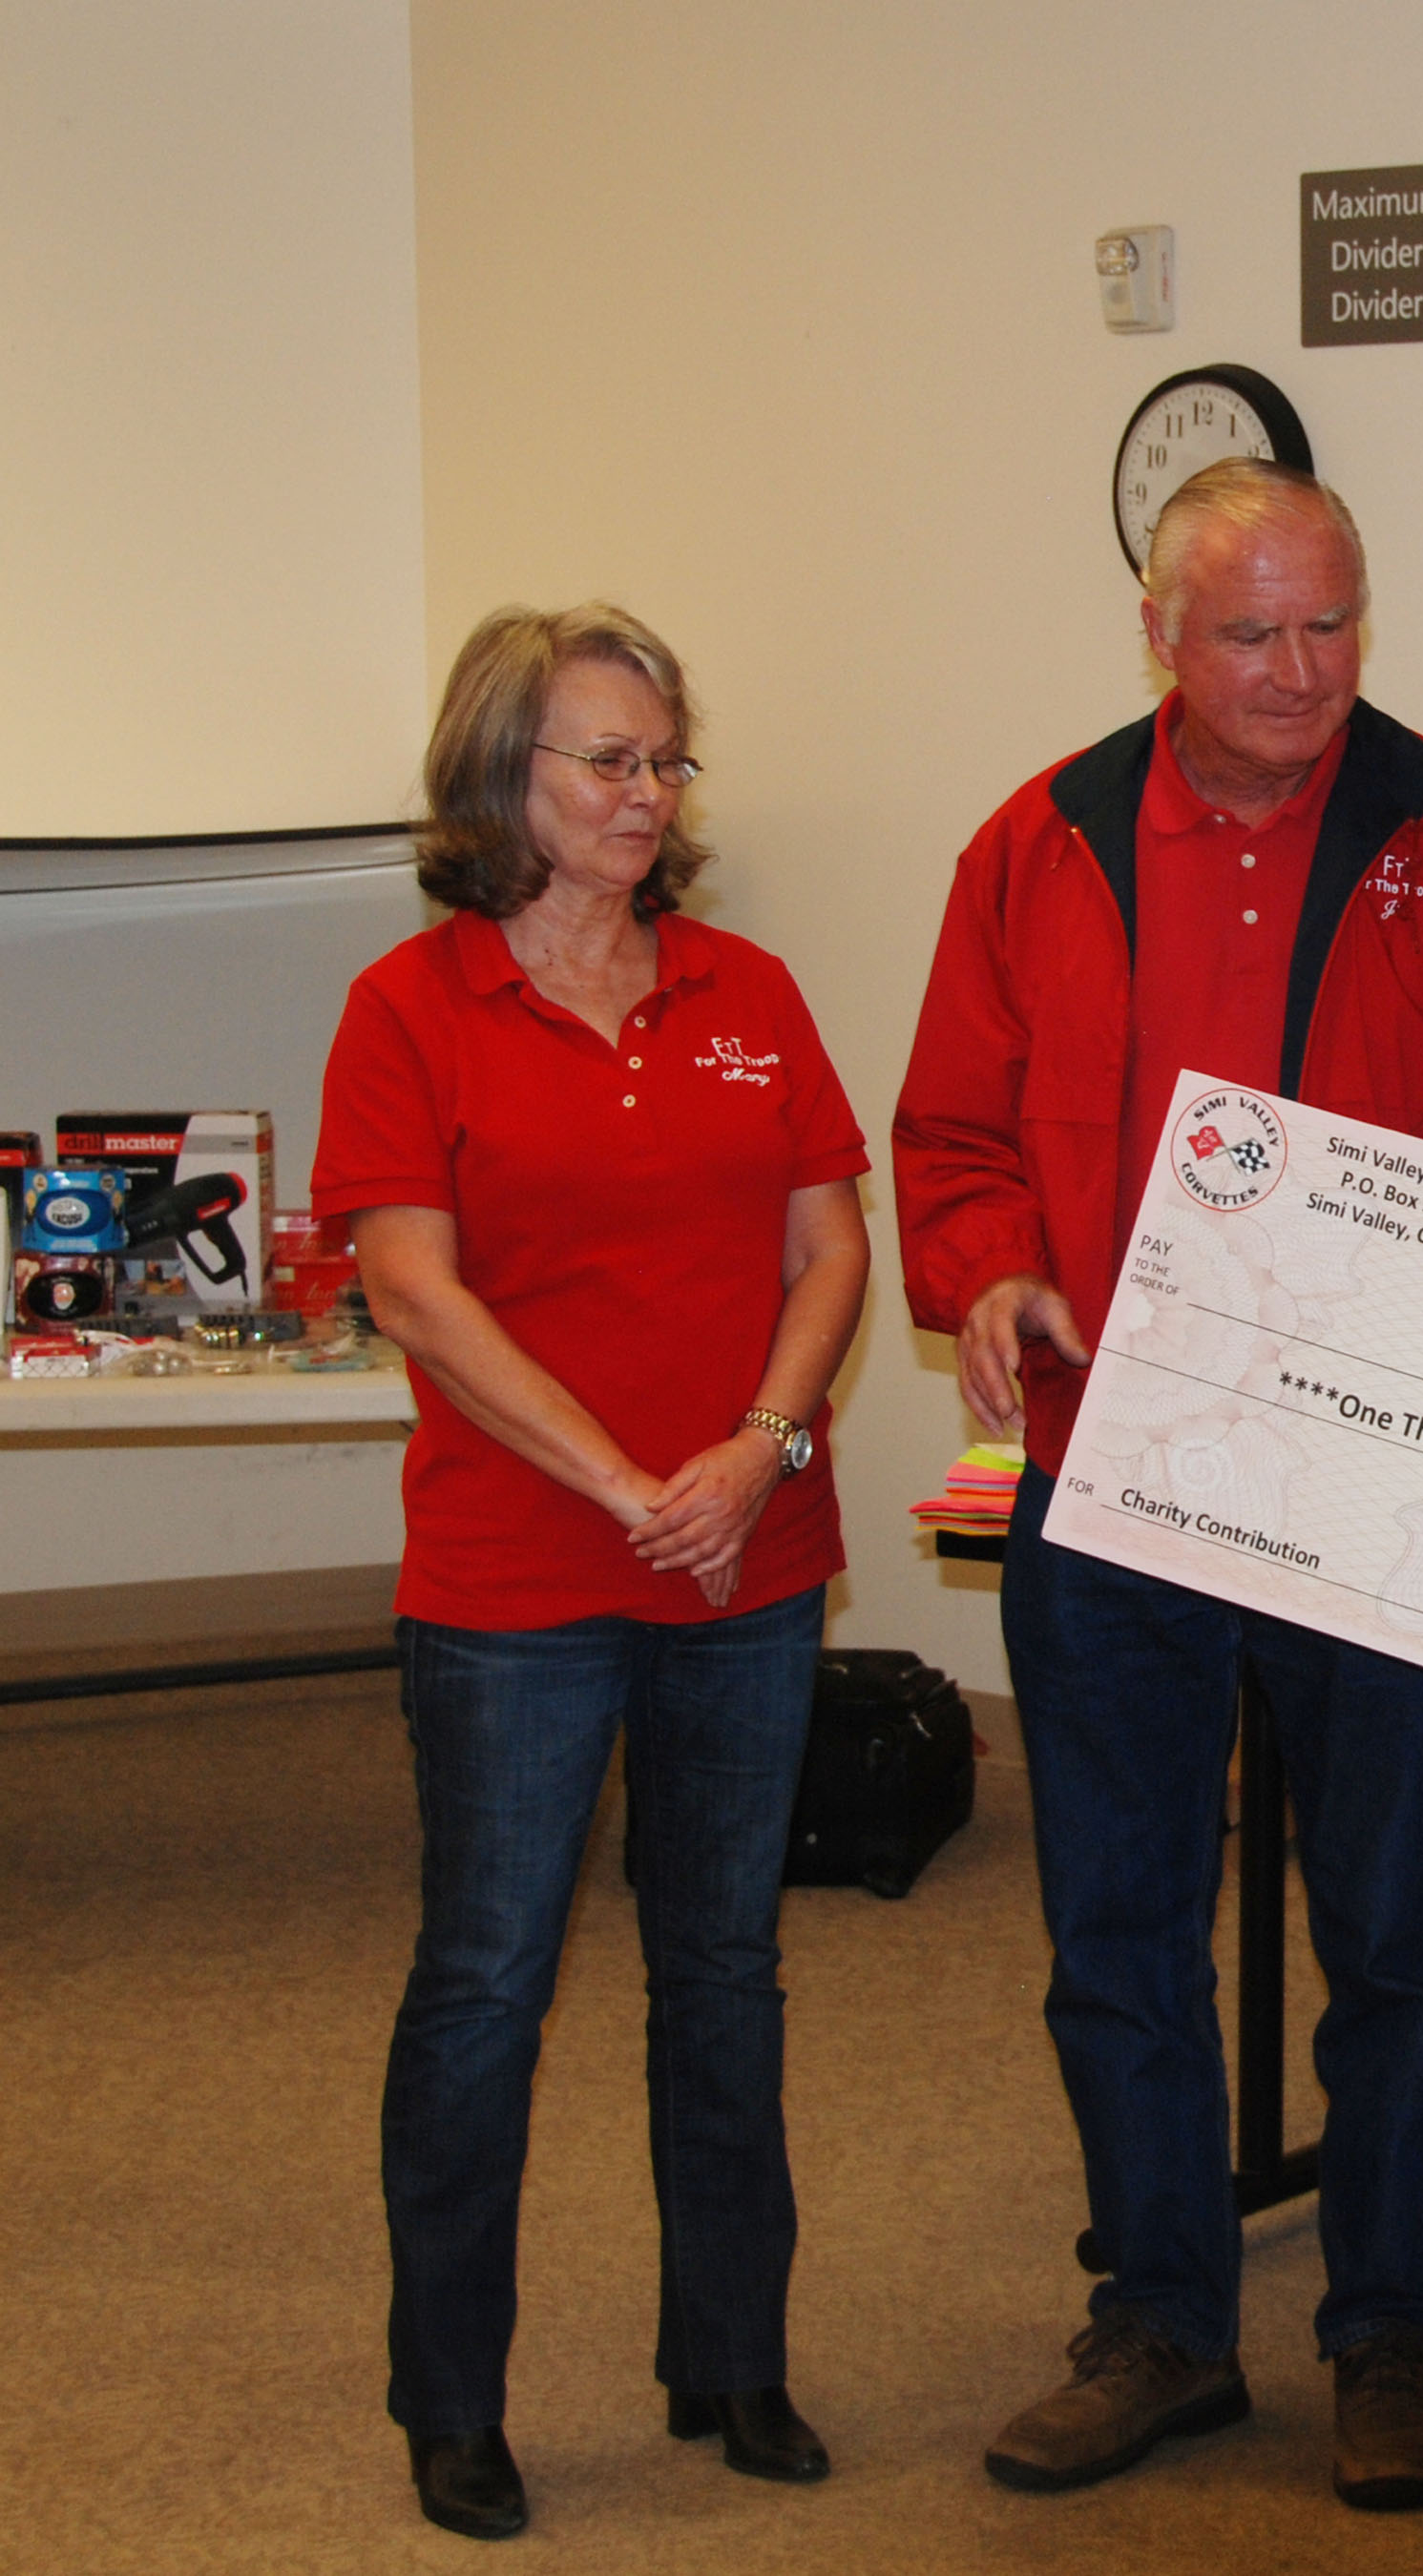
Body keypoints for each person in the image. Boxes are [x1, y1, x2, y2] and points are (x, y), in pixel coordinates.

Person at [892, 459, 1423, 2512]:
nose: (1298, 670)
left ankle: (1390, 2332)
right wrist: (987, 1266)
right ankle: (1164, 2322)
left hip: (1372, 1485)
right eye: (1251, 632)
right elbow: (952, 1130)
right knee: (1118, 1923)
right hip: (1111, 1476)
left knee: (1398, 1934)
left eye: (1330, 624)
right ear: (1161, 637)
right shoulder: (1039, 842)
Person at [317, 604, 871, 2542]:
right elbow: (414, 1289)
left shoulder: (749, 989)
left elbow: (830, 1250)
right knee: (487, 1983)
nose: (646, 795)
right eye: (605, 760)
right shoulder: (410, 1007)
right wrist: (627, 1480)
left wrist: (757, 1452)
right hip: (515, 1581)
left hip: (745, 1558)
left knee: (724, 1964)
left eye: (664, 761)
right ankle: (451, 2398)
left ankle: (731, 2357)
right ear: (504, 774)